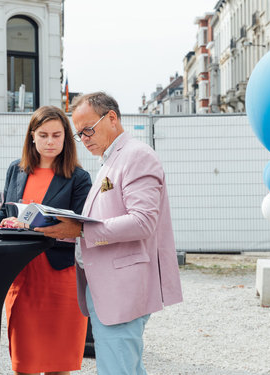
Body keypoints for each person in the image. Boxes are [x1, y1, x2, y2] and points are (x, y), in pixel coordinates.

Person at [36, 92, 183, 374]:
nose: (85, 138)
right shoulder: (112, 159)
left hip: (122, 288)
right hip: (110, 286)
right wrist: (61, 230)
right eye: (79, 134)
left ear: (112, 118)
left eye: (88, 129)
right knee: (124, 367)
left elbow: (143, 222)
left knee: (117, 368)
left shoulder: (136, 156)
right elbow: (106, 220)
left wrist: (80, 229)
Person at [0, 106, 92, 375]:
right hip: (22, 274)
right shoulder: (16, 170)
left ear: (66, 138)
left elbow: (80, 228)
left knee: (59, 366)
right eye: (43, 135)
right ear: (32, 136)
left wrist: (33, 226)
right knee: (24, 365)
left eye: (57, 135)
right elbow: (4, 213)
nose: (50, 142)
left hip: (60, 277)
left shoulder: (79, 178)